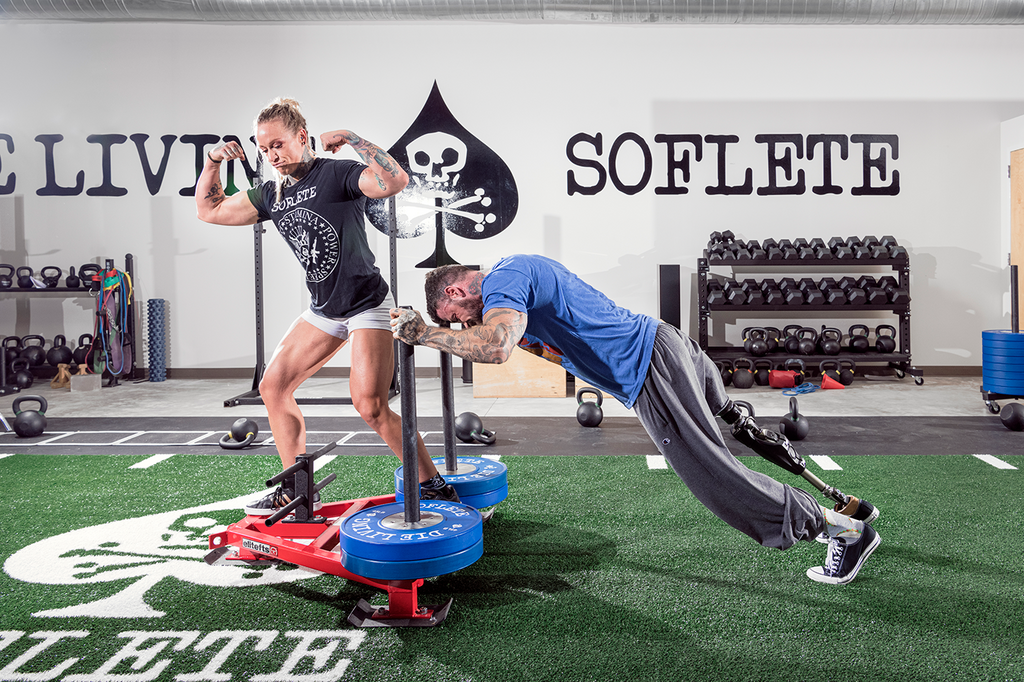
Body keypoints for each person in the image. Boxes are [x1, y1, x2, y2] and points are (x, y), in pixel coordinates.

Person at [390, 254, 881, 584]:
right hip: (665, 345)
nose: (461, 326)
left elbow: (495, 347)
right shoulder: (519, 277)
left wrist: (425, 333)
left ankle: (840, 530)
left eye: (454, 316)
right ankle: (844, 504)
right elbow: (547, 339)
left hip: (647, 367)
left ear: (455, 290)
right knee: (732, 425)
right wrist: (723, 406)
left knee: (713, 476)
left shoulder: (504, 279)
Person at [196, 97, 459, 515]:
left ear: (302, 137)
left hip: (366, 304)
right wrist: (212, 161)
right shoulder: (271, 193)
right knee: (272, 386)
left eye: (278, 145)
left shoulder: (336, 174)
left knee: (370, 406)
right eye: (264, 150)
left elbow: (394, 182)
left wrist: (355, 140)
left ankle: (433, 484)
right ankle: (296, 489)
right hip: (324, 310)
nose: (272, 156)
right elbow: (209, 211)